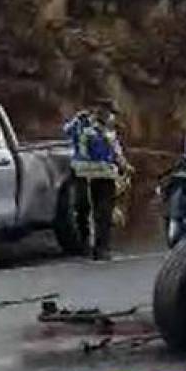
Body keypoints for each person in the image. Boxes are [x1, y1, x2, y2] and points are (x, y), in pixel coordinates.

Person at [62, 100, 131, 261]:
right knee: (87, 209)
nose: (108, 115)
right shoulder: (84, 124)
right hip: (87, 173)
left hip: (98, 174)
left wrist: (124, 165)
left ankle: (98, 247)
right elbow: (68, 132)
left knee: (100, 212)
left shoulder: (103, 127)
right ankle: (90, 245)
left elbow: (115, 150)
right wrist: (123, 164)